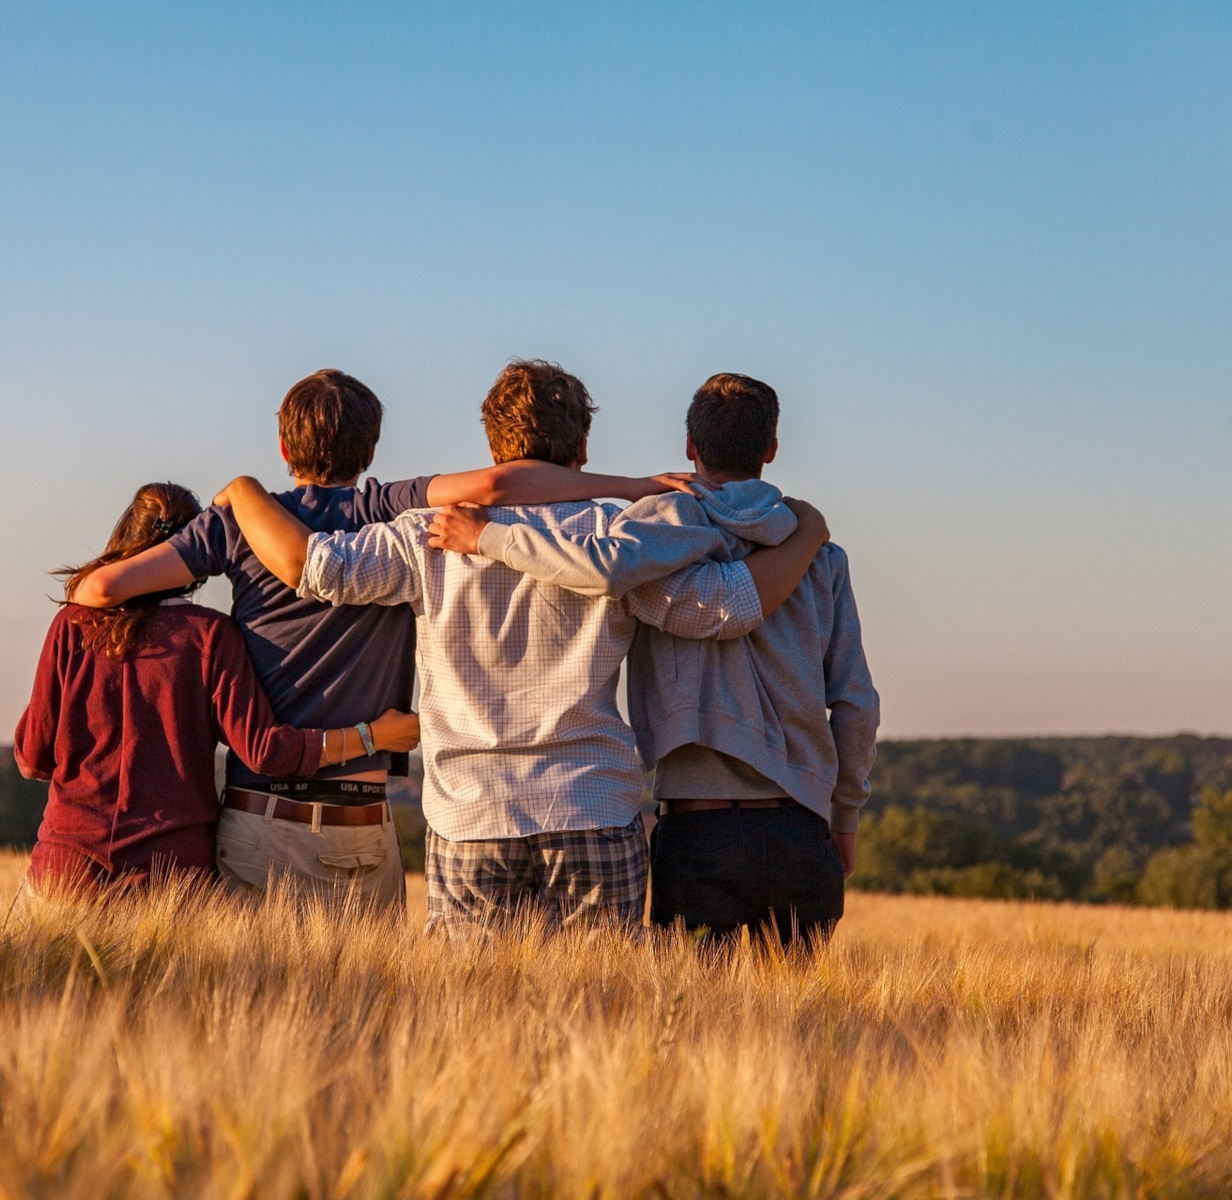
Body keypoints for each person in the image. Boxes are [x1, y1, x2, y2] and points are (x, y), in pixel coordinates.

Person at [213, 361, 829, 935]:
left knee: (471, 1022)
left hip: (470, 815)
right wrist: (806, 537)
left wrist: (243, 492)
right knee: (601, 1017)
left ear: (492, 448)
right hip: (591, 804)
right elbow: (721, 609)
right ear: (582, 449)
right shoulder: (619, 537)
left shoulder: (425, 535)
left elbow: (317, 569)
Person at [66, 368, 696, 908]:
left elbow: (98, 592)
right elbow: (500, 486)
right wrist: (632, 487)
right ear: (370, 449)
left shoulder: (239, 523)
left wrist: (235, 501)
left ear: (283, 446)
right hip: (363, 823)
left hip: (261, 815)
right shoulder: (387, 509)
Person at [429, 373, 879, 947]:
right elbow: (857, 704)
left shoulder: (652, 537)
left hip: (699, 828)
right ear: (770, 450)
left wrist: (489, 537)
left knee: (694, 1024)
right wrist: (844, 816)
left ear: (690, 446)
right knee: (793, 1029)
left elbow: (598, 567)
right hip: (803, 827)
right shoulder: (820, 556)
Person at [14, 482, 419, 897]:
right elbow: (265, 751)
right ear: (195, 554)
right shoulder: (211, 636)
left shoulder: (72, 626)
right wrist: (374, 736)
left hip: (66, 869)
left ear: (125, 537)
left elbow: (33, 758)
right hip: (171, 879)